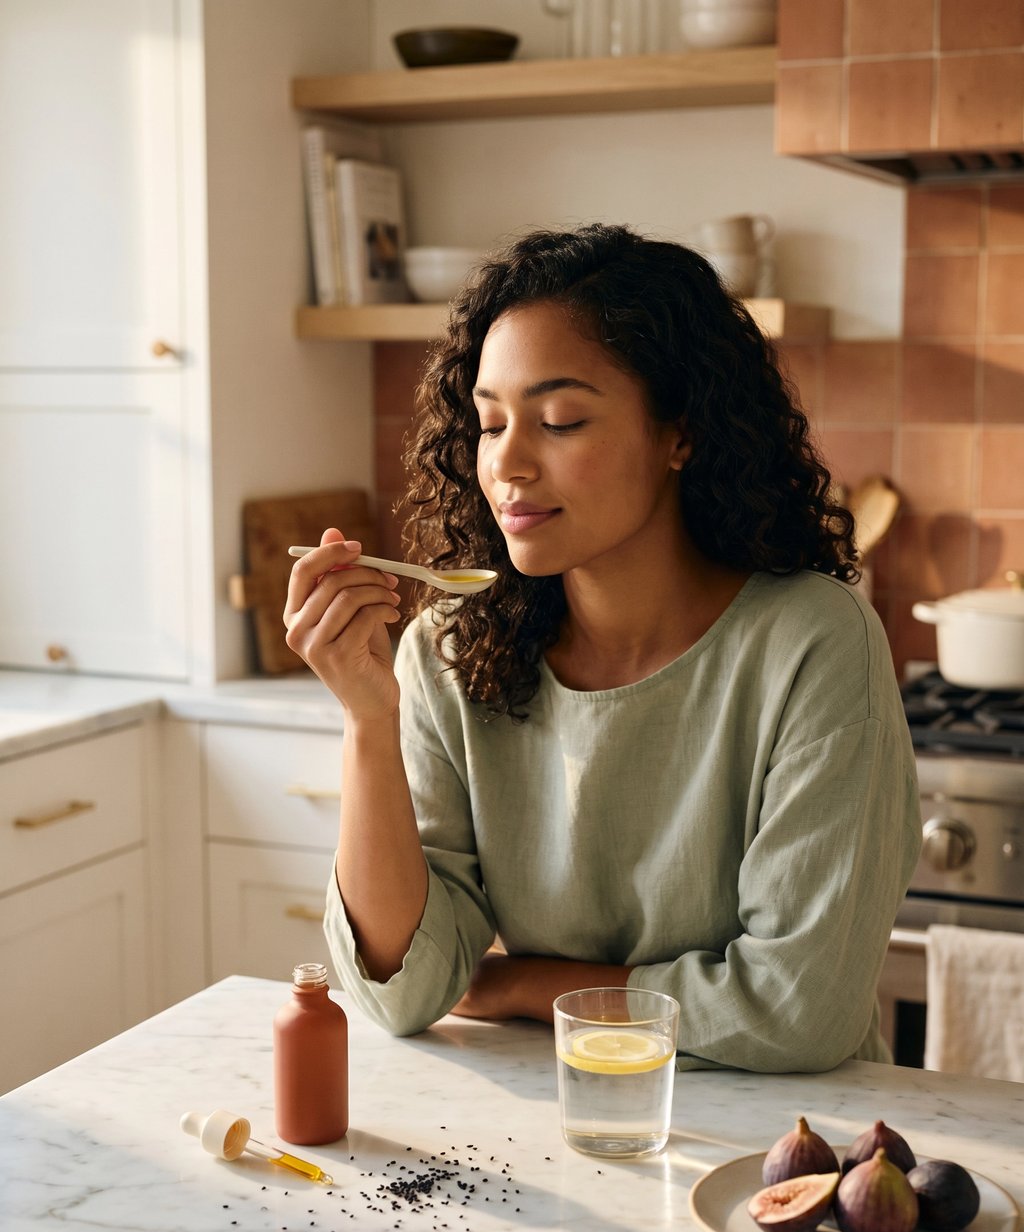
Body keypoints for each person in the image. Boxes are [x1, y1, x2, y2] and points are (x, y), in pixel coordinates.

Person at [284, 223, 921, 1073]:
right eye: (489, 422)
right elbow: (405, 990)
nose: (508, 462)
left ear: (679, 432)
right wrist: (369, 722)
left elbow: (797, 1012)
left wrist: (524, 985)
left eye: (560, 420)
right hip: (548, 1131)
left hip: (772, 1146)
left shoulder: (812, 642)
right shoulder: (450, 648)